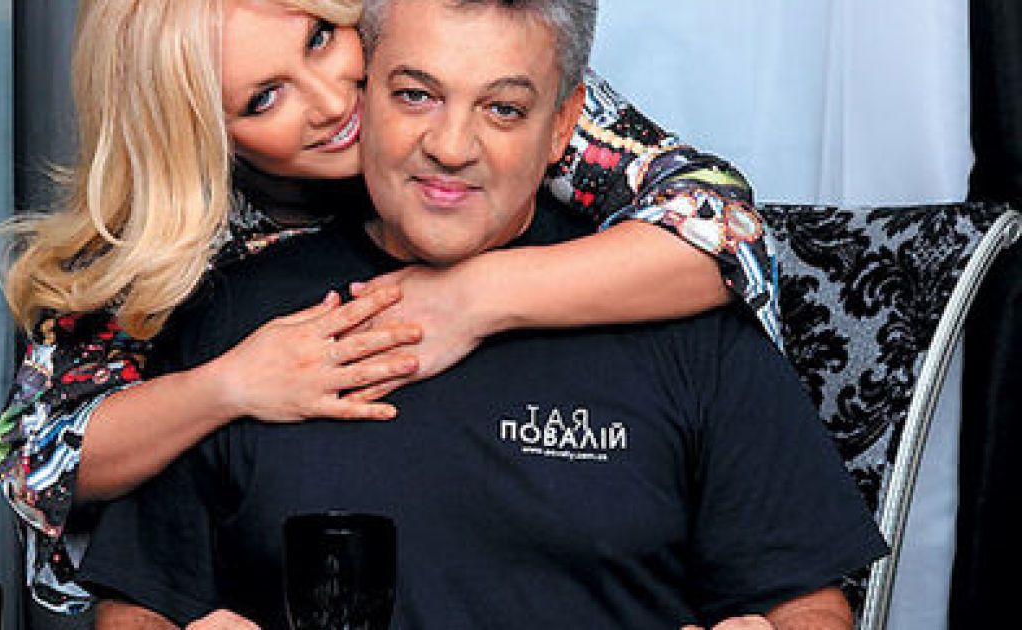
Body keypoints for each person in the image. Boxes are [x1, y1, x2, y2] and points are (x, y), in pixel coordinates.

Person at [75, 1, 886, 628]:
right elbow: (138, 599)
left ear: (563, 125)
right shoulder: (234, 318)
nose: (451, 146)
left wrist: (474, 297)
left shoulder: (681, 303)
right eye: (416, 94)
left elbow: (807, 603)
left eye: (502, 108)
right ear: (371, 88)